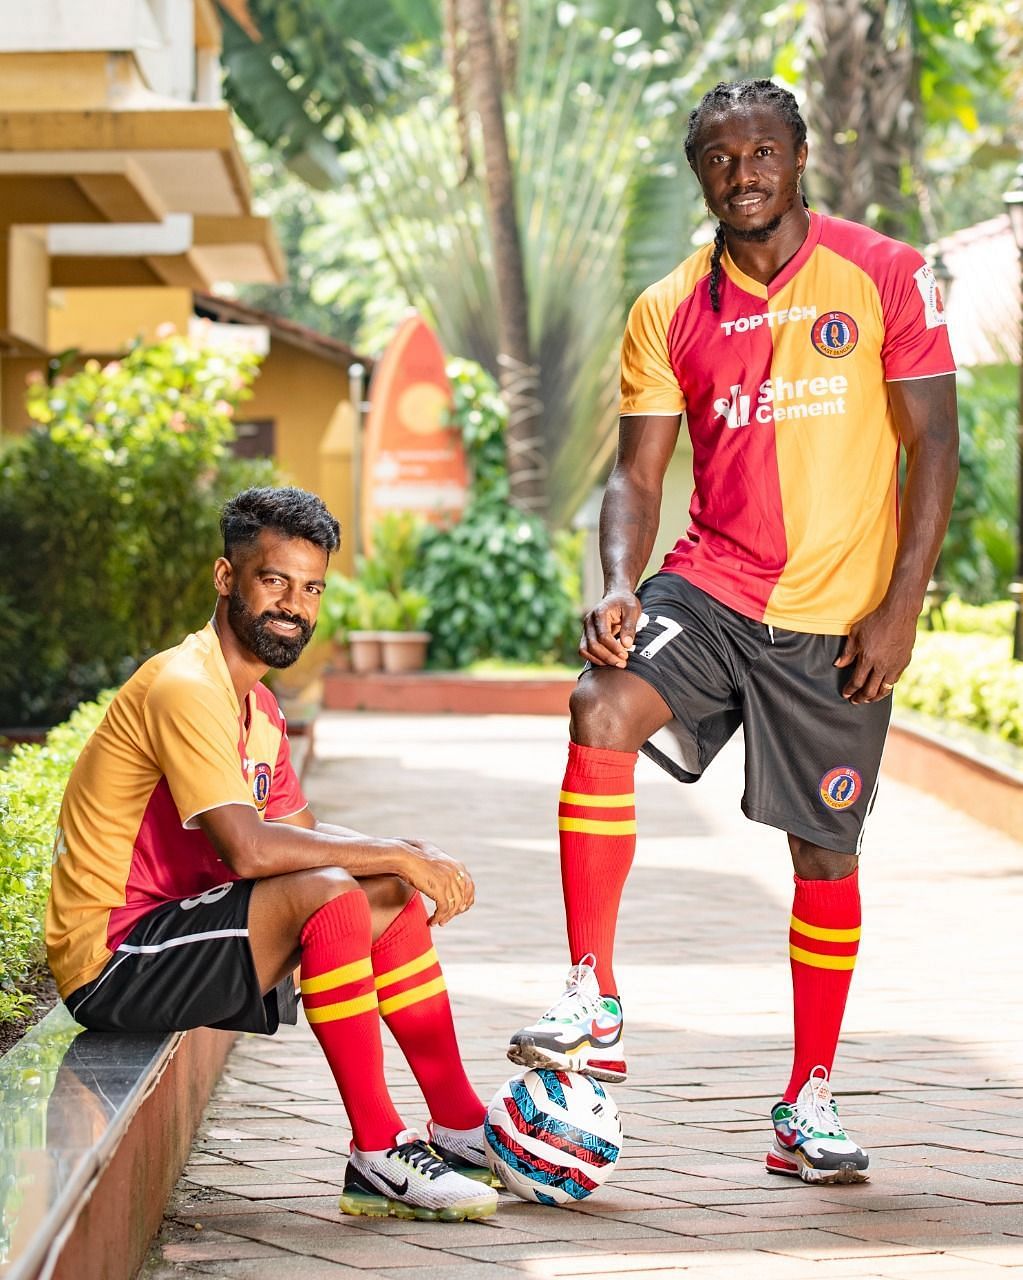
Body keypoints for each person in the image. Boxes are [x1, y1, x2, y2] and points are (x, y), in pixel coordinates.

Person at [508, 79, 958, 1186]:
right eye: (720, 157)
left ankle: (807, 1099)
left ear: (800, 159)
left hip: (840, 619)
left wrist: (901, 606)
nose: (743, 172)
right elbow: (636, 475)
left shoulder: (888, 274)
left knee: (826, 852)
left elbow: (936, 444)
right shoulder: (668, 308)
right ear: (699, 173)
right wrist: (620, 579)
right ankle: (592, 993)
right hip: (710, 587)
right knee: (598, 702)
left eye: (763, 152)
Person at [46, 486, 498, 1223]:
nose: (295, 604)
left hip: (180, 930)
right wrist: (397, 854)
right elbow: (253, 850)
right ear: (228, 579)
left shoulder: (256, 706)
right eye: (274, 581)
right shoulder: (186, 685)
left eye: (311, 587)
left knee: (380, 887)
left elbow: (309, 835)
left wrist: (409, 855)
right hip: (113, 956)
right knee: (332, 890)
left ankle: (457, 1124)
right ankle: (378, 1151)